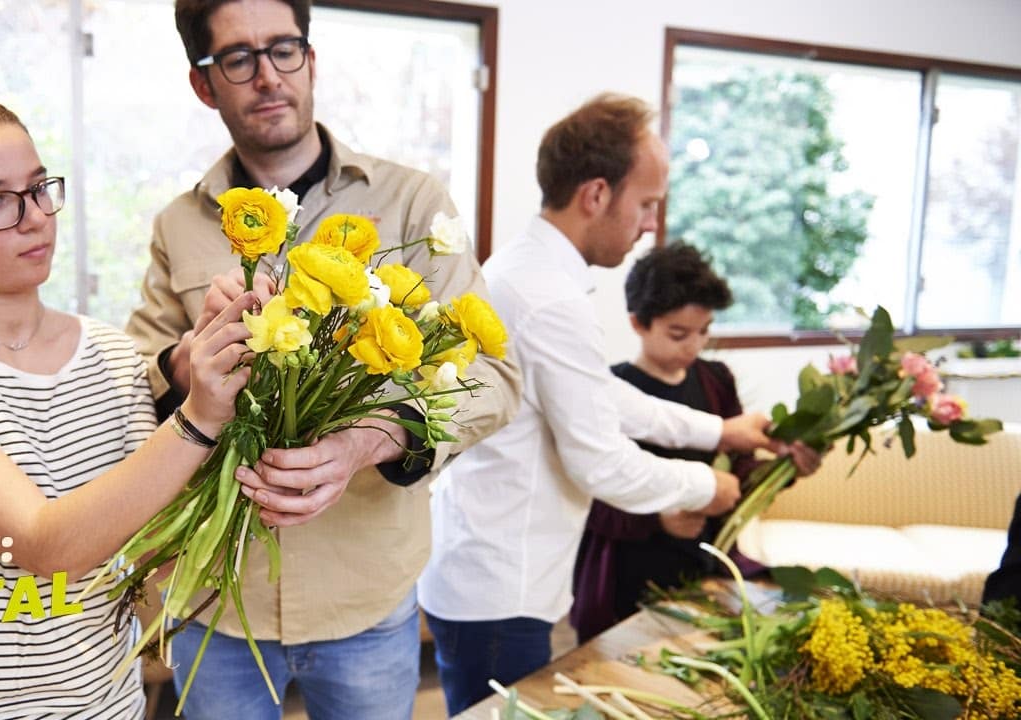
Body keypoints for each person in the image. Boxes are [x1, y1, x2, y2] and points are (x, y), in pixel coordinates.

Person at [123, 1, 520, 717]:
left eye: (284, 49)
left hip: (366, 593)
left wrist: (374, 437)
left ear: (312, 60)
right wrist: (192, 357)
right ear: (204, 84)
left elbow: (494, 378)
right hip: (218, 601)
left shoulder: (412, 204)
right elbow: (136, 378)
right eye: (238, 59)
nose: (268, 76)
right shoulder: (179, 224)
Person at [0, 89, 255, 720]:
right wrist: (198, 418)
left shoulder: (114, 355)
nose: (34, 216)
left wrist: (246, 473)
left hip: (108, 705)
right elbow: (46, 546)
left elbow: (143, 553)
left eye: (39, 188)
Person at [416, 94, 779, 716]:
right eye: (646, 205)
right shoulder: (550, 297)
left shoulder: (525, 270)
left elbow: (602, 396)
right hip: (503, 585)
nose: (648, 226)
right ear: (595, 194)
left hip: (485, 570)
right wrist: (705, 488)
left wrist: (721, 432)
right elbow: (601, 462)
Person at [568, 243, 822, 644]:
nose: (694, 346)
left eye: (704, 331)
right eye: (678, 334)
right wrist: (657, 517)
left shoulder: (715, 380)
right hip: (628, 575)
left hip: (705, 566)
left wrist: (785, 467)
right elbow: (590, 496)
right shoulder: (611, 390)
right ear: (638, 323)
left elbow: (738, 474)